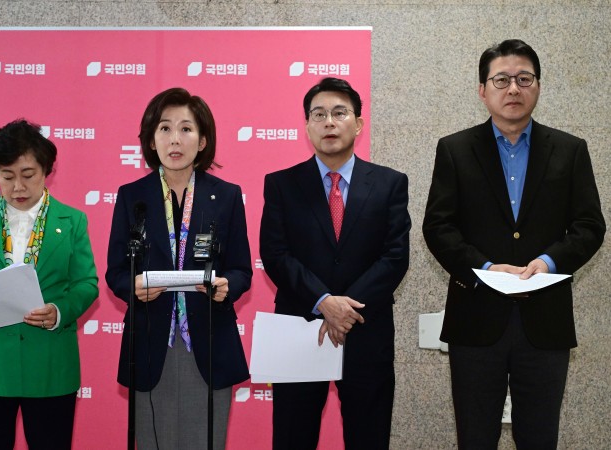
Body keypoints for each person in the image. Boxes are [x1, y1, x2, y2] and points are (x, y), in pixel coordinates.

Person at [422, 39, 606, 449]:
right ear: (482, 90)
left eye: (524, 79)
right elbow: (438, 226)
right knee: (475, 437)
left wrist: (549, 262)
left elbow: (590, 226)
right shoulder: (455, 149)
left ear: (538, 86)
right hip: (475, 321)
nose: (513, 89)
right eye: (501, 80)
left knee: (539, 438)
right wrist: (486, 269)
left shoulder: (570, 150)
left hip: (545, 322)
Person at [259, 77, 411, 449]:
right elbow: (276, 254)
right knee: (293, 438)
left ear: (358, 124)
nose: (329, 122)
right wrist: (324, 301)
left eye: (339, 113)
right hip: (299, 327)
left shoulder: (390, 183)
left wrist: (345, 308)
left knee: (368, 438)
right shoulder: (281, 184)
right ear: (307, 125)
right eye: (319, 114)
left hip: (367, 331)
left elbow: (395, 257)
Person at [105, 87, 252, 449]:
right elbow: (116, 271)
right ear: (151, 140)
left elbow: (241, 269)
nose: (175, 139)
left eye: (186, 129)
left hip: (210, 340)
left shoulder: (226, 196)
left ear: (202, 141)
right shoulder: (132, 196)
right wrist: (133, 287)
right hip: (150, 339)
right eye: (165, 128)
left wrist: (225, 286)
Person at [0, 119, 99, 449]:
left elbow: (86, 283)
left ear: (46, 171)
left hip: (50, 365)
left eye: (28, 175)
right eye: (7, 176)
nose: (18, 187)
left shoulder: (72, 220)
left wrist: (58, 311)